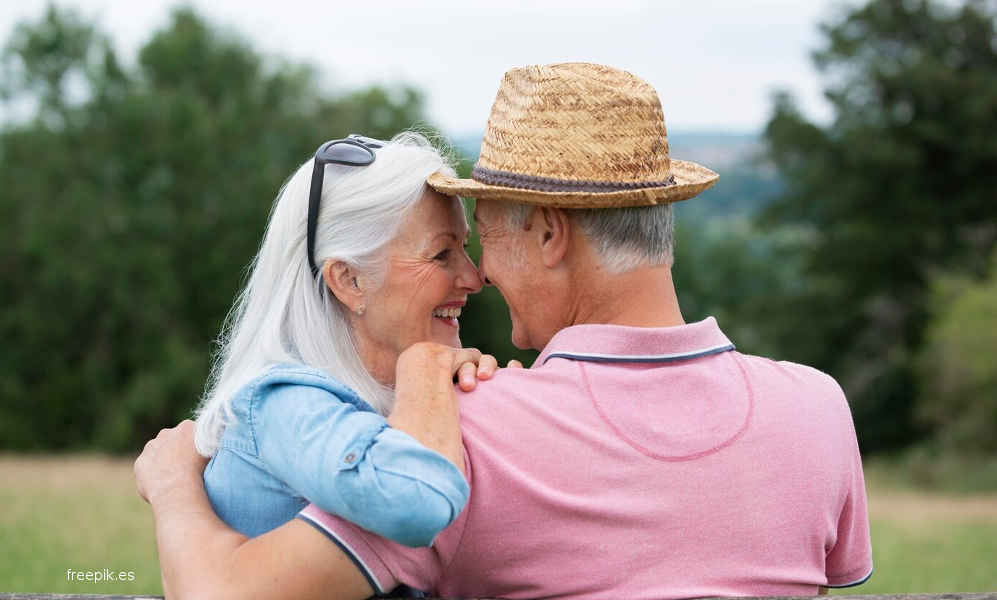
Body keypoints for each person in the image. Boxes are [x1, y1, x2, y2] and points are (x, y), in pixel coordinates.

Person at [135, 63, 873, 600]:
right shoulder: (816, 408)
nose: (480, 276)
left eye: (486, 236)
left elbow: (230, 591)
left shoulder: (461, 432)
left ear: (551, 233)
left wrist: (172, 489)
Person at [188, 131, 507, 554]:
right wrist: (426, 369)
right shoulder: (284, 404)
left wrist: (491, 404)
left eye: (464, 247)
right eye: (441, 254)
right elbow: (415, 504)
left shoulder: (381, 400)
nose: (473, 277)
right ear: (349, 280)